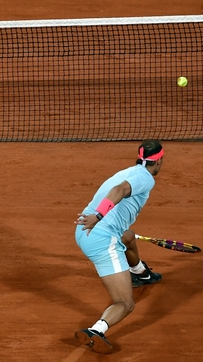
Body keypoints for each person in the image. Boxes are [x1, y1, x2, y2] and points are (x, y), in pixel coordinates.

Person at [72, 140, 165, 354]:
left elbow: (118, 187)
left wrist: (96, 218)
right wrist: (99, 216)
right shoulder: (146, 179)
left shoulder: (128, 171)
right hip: (100, 237)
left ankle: (140, 273)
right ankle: (96, 330)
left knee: (129, 237)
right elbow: (119, 190)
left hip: (83, 229)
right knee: (125, 302)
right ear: (159, 160)